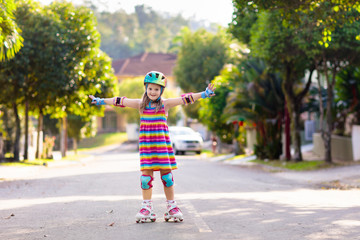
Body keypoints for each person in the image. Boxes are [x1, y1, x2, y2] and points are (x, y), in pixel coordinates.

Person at [89, 71, 215, 223]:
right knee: (145, 178)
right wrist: (101, 101)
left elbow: (184, 99)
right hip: (147, 147)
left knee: (167, 177)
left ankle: (171, 206)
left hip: (162, 146)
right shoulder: (140, 105)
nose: (153, 92)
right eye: (150, 88)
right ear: (146, 88)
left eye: (156, 89)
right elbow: (120, 101)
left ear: (161, 90)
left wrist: (204, 94)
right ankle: (147, 207)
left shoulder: (165, 104)